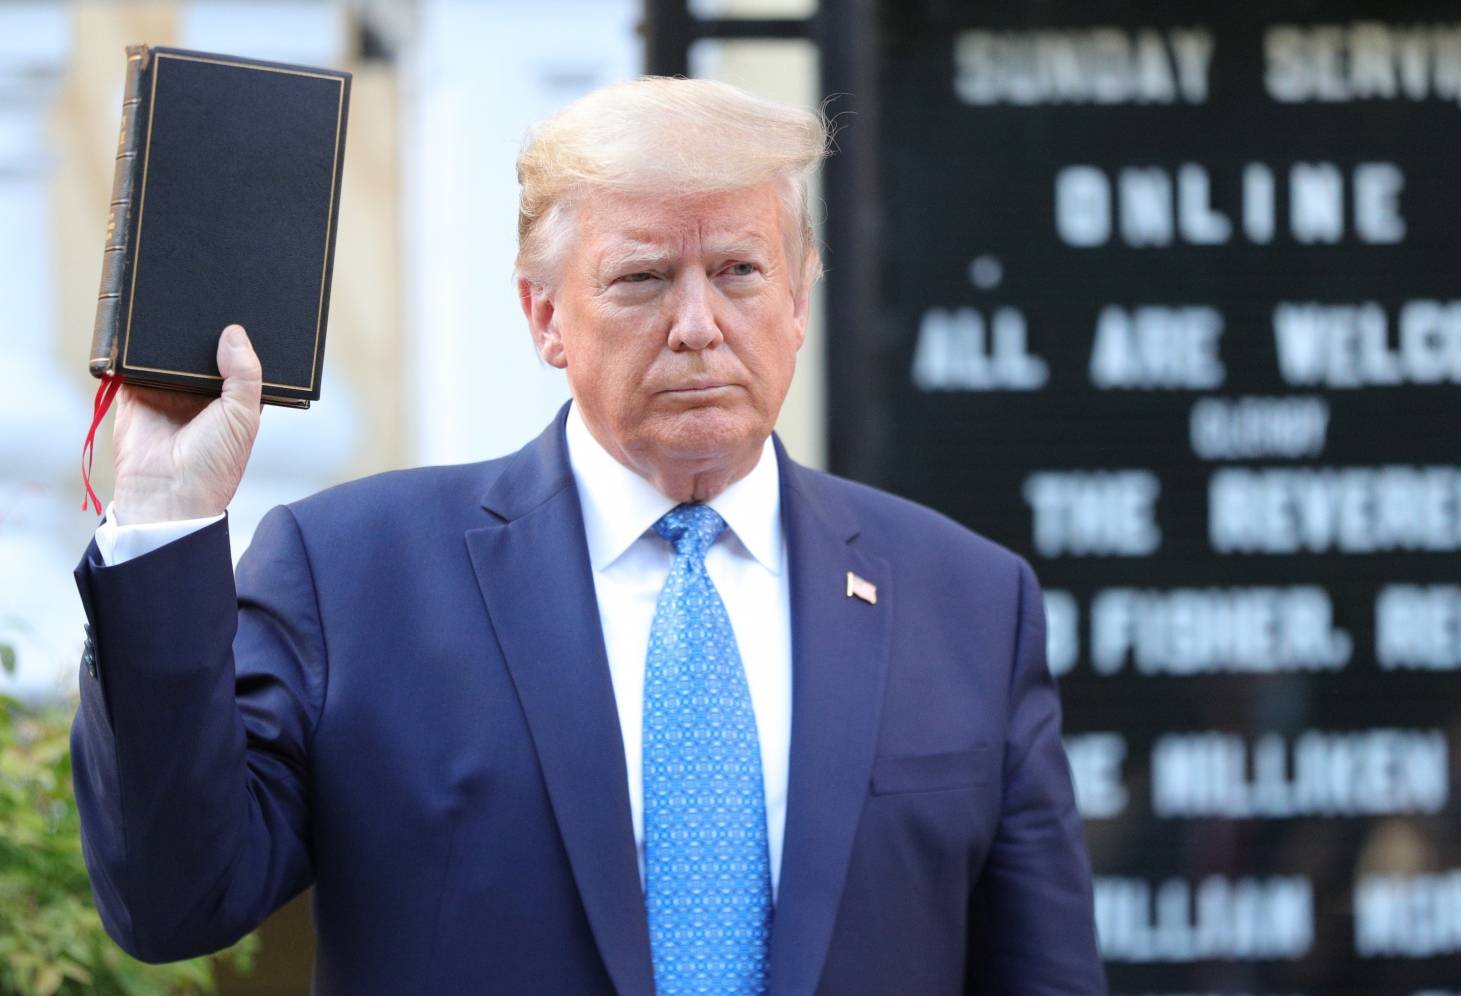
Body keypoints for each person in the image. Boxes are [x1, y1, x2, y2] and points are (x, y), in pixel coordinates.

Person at [71, 77, 1105, 995]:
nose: (697, 323)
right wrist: (165, 518)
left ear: (798, 297)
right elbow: (175, 901)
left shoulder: (966, 599)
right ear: (544, 317)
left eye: (740, 272)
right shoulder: (354, 574)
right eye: (643, 278)